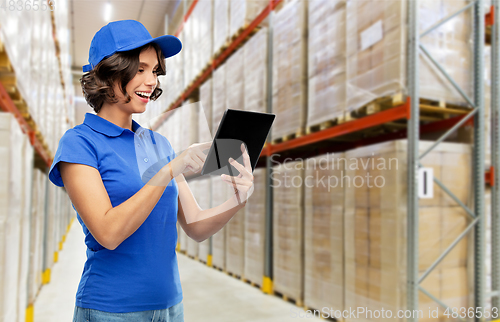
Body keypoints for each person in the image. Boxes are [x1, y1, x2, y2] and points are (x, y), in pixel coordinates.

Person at [48, 20, 254, 322]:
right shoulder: (79, 143)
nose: (152, 81)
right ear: (110, 71)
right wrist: (167, 170)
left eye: (155, 71)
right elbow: (108, 233)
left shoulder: (158, 144)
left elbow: (195, 224)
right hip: (111, 310)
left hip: (170, 307)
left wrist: (237, 200)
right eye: (141, 69)